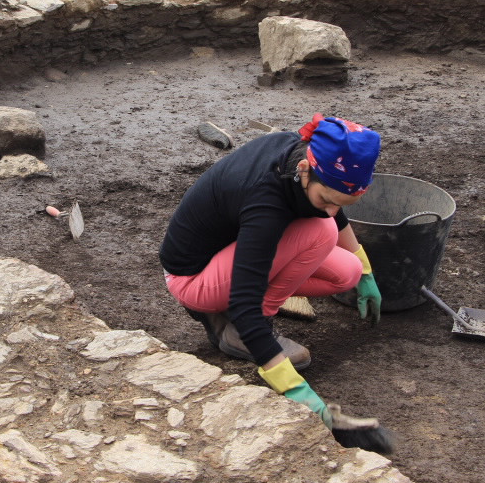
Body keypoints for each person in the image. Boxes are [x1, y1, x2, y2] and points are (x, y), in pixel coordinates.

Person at [159, 114, 394, 452]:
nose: (331, 210)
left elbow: (334, 207)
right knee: (319, 231)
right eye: (325, 199)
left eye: (341, 202)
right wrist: (296, 389)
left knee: (347, 272)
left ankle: (250, 314)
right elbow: (244, 301)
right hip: (193, 278)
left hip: (231, 253)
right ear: (304, 170)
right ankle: (239, 331)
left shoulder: (306, 161)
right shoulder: (266, 199)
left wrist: (367, 271)